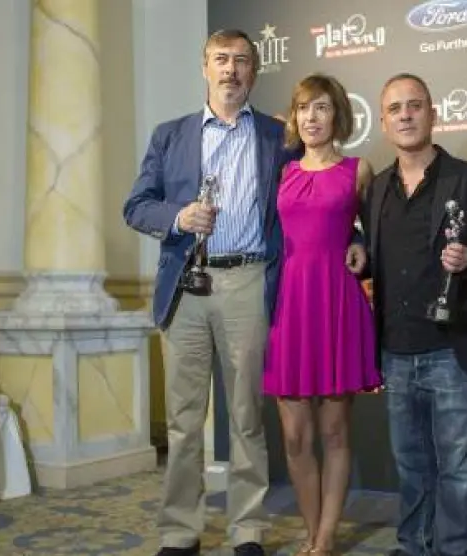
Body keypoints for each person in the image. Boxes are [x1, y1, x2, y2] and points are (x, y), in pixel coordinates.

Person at [123, 29, 355, 556]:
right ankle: (180, 531)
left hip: (249, 282)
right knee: (183, 421)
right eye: (221, 59)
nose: (231, 69)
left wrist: (356, 240)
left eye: (242, 61)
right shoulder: (170, 135)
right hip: (185, 284)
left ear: (254, 71)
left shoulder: (279, 137)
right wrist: (178, 217)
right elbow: (136, 205)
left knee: (247, 417)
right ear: (204, 67)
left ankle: (246, 530)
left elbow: (323, 197)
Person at [360, 73, 467, 556]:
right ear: (383, 122)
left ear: (433, 113)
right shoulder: (376, 189)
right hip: (395, 349)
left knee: (458, 467)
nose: (405, 115)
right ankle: (414, 545)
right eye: (395, 108)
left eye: (415, 105)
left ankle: (454, 548)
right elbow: (371, 257)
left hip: (452, 348)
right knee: (410, 465)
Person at [262, 73, 380, 555]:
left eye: (322, 108)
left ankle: (325, 537)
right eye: (303, 108)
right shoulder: (281, 170)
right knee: (295, 436)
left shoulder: (359, 170)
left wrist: (360, 246)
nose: (311, 117)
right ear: (294, 116)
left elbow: (374, 235)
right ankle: (311, 530)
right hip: (287, 305)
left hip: (336, 303)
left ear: (338, 116)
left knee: (334, 431)